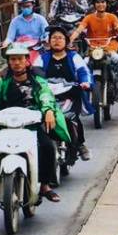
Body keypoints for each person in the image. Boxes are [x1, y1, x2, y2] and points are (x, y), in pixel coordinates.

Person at [0, 44, 70, 203]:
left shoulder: (38, 80)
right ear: (9, 62)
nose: (17, 63)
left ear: (27, 60)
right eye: (13, 59)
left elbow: (45, 95)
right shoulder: (3, 81)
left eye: (20, 59)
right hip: (6, 125)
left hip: (31, 125)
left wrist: (48, 111)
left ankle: (45, 186)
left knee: (47, 146)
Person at [36, 26, 92, 161]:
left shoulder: (74, 57)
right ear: (49, 41)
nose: (57, 41)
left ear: (66, 41)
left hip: (69, 95)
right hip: (47, 96)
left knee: (71, 118)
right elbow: (35, 74)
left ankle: (80, 144)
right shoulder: (42, 58)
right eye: (54, 38)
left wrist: (85, 83)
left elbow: (84, 72)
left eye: (60, 38)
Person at [69, 0, 118, 98]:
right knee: (82, 66)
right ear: (94, 5)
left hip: (109, 49)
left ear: (106, 4)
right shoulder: (88, 18)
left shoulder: (112, 17)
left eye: (103, 2)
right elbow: (79, 30)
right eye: (97, 2)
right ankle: (81, 87)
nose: (100, 4)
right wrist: (70, 40)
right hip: (92, 49)